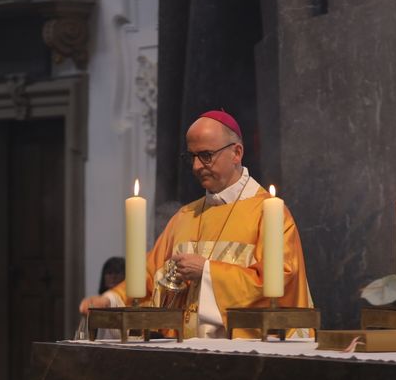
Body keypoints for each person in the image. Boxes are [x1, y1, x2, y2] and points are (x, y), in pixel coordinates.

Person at [79, 110, 311, 338]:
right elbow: (148, 276)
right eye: (192, 157)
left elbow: (279, 281)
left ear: (237, 153)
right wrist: (109, 300)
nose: (196, 167)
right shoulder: (185, 216)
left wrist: (207, 271)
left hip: (244, 354)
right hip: (185, 350)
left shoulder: (269, 214)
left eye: (206, 155)